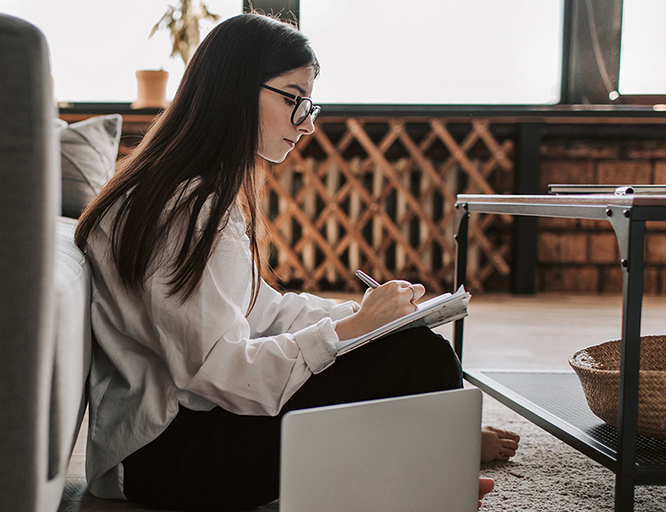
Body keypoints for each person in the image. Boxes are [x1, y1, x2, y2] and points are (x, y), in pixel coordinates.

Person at [75, 12, 517, 511]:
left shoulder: (191, 191)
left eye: (309, 104)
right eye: (294, 99)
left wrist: (361, 315)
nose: (307, 124)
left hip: (182, 434)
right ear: (236, 88)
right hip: (170, 456)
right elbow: (222, 372)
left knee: (405, 343)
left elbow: (262, 312)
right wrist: (350, 333)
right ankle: (438, 467)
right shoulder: (186, 210)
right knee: (420, 358)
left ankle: (436, 459)